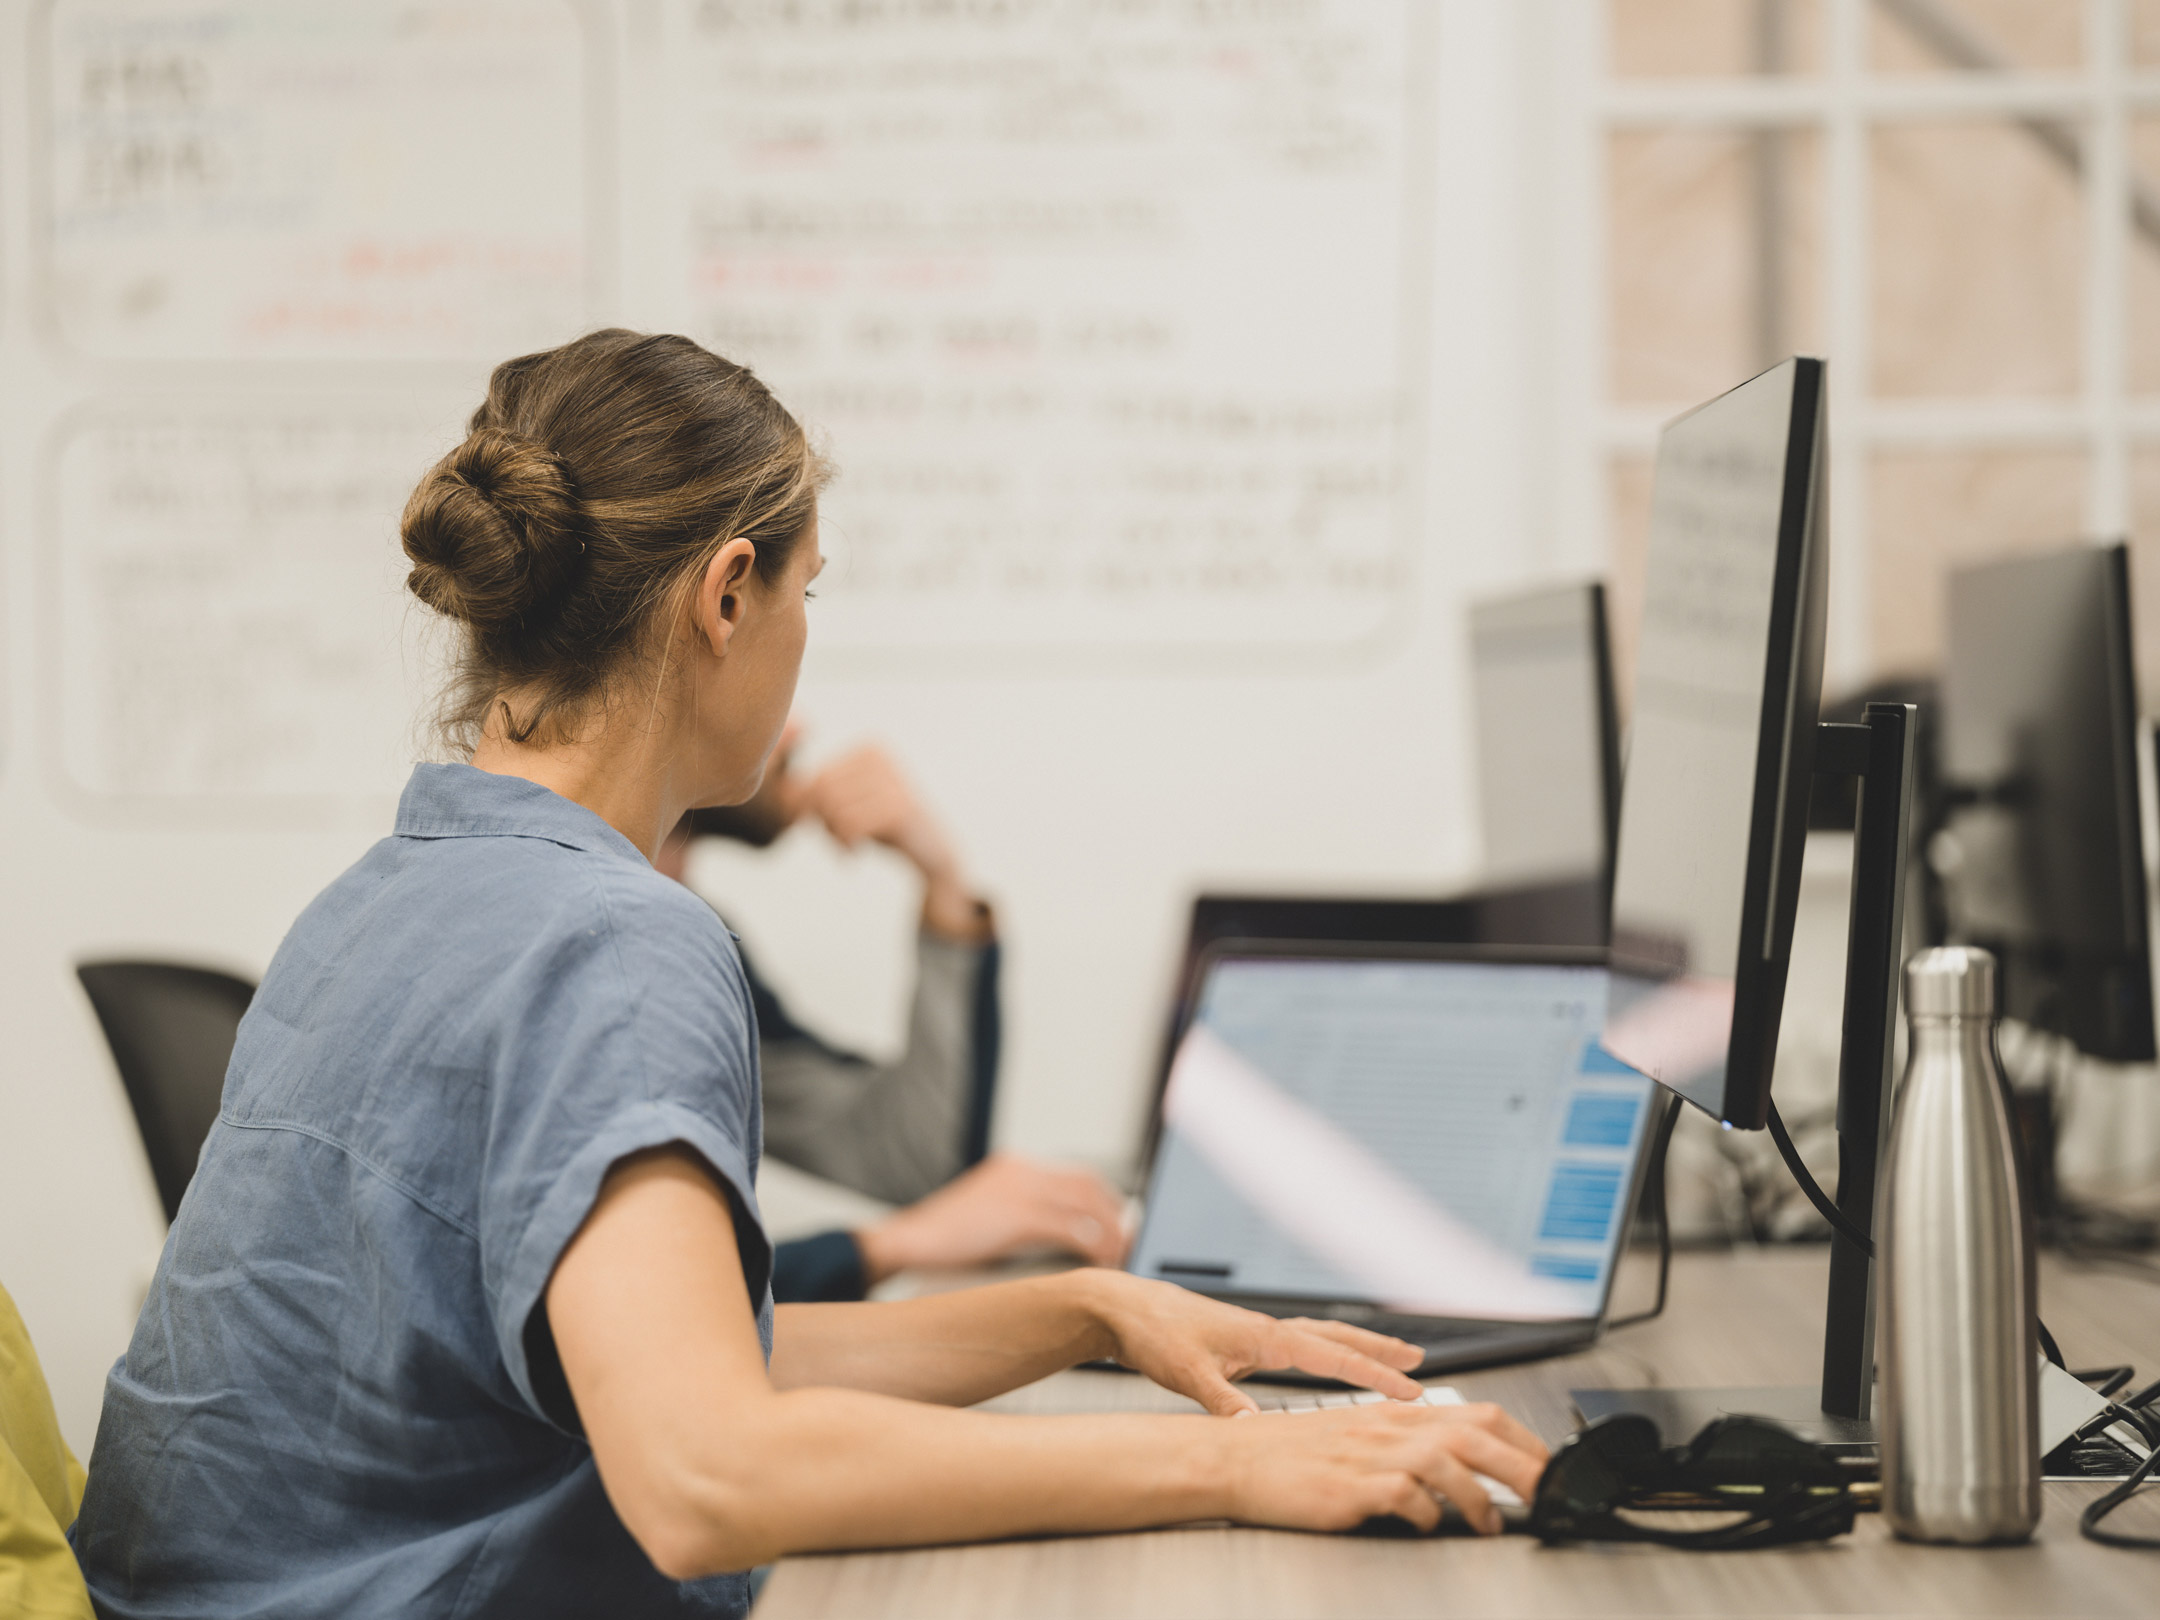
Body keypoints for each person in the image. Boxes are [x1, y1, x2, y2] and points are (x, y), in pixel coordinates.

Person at [72, 329, 1548, 1619]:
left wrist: (1088, 1311)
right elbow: (707, 1474)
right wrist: (1242, 1463)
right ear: (727, 596)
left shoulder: (383, 897)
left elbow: (689, 1361)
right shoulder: (616, 940)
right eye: (807, 594)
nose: (801, 645)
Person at [655, 736, 1131, 1303]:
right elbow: (655, 1299)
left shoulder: (689, 937)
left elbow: (911, 1161)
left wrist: (942, 881)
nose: (797, 729)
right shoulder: (602, 944)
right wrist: (895, 1244)